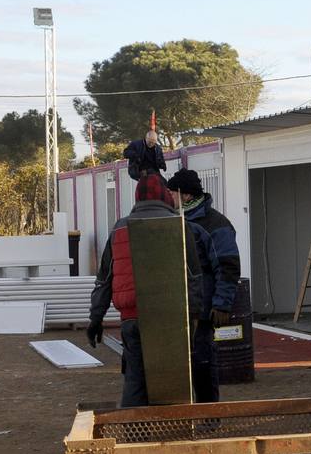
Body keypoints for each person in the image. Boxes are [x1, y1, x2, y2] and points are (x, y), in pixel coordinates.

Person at [87, 174, 204, 408]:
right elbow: (193, 277)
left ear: (137, 197)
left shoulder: (120, 228)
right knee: (174, 383)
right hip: (171, 317)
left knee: (135, 380)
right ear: (164, 196)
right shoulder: (180, 226)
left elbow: (105, 279)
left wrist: (95, 318)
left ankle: (134, 435)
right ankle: (174, 434)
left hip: (132, 317)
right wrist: (194, 314)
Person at [167, 168, 240, 402]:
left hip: (203, 308)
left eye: (173, 193)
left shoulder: (215, 224)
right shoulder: (176, 221)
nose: (169, 198)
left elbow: (228, 266)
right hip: (181, 308)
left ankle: (209, 413)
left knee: (202, 361)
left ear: (186, 195)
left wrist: (221, 305)